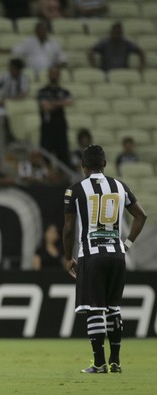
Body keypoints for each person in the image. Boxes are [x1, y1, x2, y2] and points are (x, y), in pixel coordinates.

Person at [62, 144, 147, 373]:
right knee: (113, 308)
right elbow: (141, 215)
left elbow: (69, 228)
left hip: (92, 254)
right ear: (105, 164)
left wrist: (68, 257)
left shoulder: (75, 190)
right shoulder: (120, 186)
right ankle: (116, 362)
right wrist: (126, 244)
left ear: (83, 166)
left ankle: (99, 363)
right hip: (117, 255)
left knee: (94, 308)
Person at [38, 66, 73, 167]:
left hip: (60, 128)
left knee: (63, 156)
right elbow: (46, 107)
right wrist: (60, 103)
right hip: (47, 129)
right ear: (48, 75)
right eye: (52, 73)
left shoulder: (63, 91)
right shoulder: (43, 91)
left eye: (56, 73)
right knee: (46, 156)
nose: (54, 75)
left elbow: (70, 102)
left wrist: (53, 104)